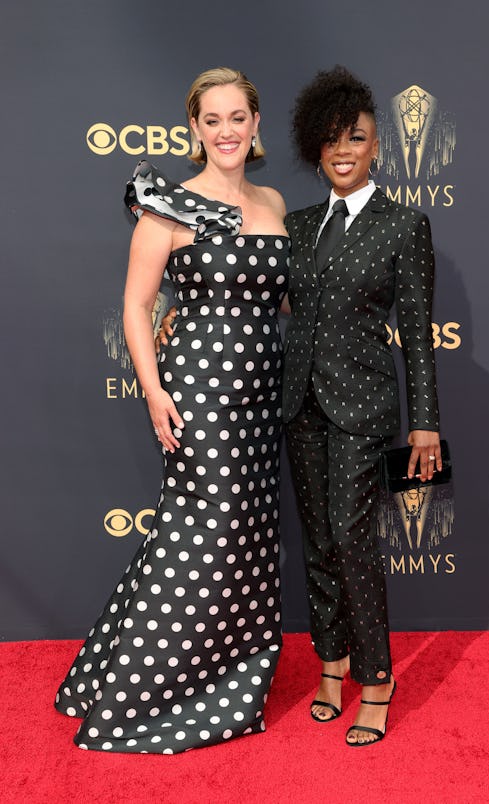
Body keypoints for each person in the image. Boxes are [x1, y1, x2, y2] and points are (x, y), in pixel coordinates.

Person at [54, 67, 289, 754]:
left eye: (237, 118)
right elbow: (135, 305)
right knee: (203, 535)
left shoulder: (273, 200)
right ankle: (144, 697)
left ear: (255, 124)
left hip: (262, 392)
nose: (226, 131)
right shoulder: (168, 205)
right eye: (212, 120)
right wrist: (156, 392)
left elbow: (277, 299)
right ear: (194, 129)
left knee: (244, 537)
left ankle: (228, 675)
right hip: (201, 395)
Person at [283, 66, 441, 746]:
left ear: (376, 145)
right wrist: (178, 314)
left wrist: (425, 421)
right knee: (319, 544)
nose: (343, 150)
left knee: (350, 541)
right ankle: (332, 664)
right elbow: (258, 296)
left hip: (363, 407)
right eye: (330, 140)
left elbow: (417, 332)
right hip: (300, 406)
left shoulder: (404, 224)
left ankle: (377, 679)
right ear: (314, 150)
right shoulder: (297, 224)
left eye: (356, 137)